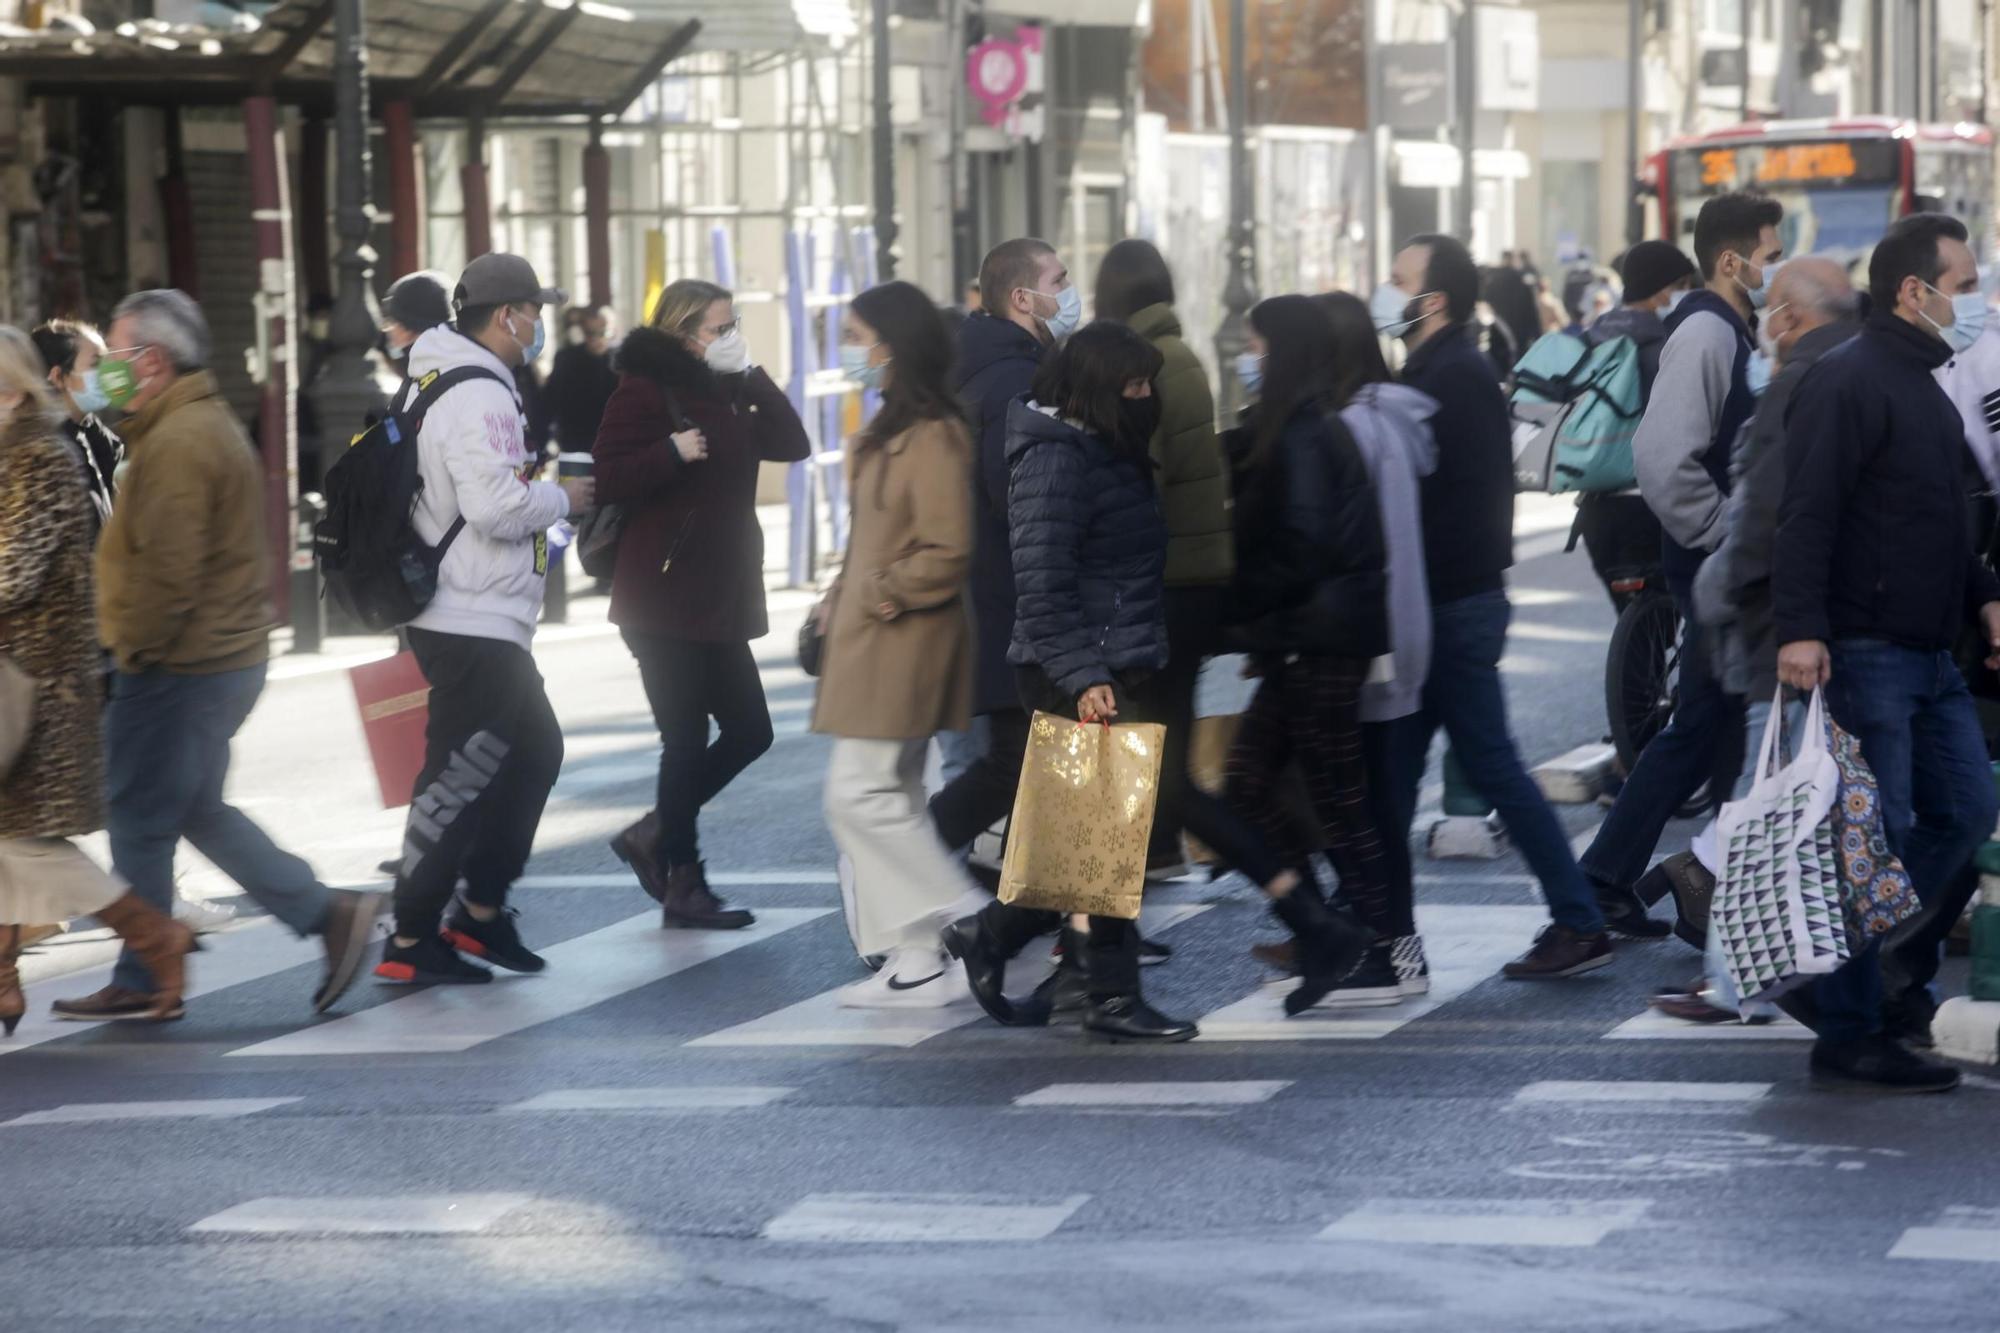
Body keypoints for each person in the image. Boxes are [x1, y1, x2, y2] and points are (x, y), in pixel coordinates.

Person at [51, 290, 378, 1020]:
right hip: (210, 658)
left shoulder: (179, 442)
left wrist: (128, 650)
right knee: (194, 807)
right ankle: (327, 914)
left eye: (113, 358)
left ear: (153, 362)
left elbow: (167, 575)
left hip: (179, 664)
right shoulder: (183, 426)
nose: (102, 373)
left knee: (138, 811)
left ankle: (144, 976)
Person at [1774, 213, 2000, 1092]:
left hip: (1930, 650)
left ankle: (1880, 980)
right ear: (1915, 290)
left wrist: (1983, 596)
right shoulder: (1848, 381)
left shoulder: (1925, 383)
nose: (1974, 303)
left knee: (1963, 813)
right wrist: (1801, 628)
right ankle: (1853, 1023)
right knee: (1878, 832)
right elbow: (1808, 514)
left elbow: (1945, 518)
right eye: (1965, 284)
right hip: (1863, 649)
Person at [1372, 234, 1614, 979]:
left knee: (1482, 769)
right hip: (1456, 600)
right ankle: (1379, 936)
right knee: (1393, 777)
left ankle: (1574, 918)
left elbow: (1434, 501)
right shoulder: (1454, 369)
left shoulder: (1444, 377)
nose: (1387, 290)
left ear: (1431, 299)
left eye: (1398, 279)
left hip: (1449, 604)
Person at [371, 255, 595, 985]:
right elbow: (496, 507)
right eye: (534, 311)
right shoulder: (480, 395)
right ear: (508, 316)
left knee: (534, 750)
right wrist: (565, 498)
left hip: (473, 612)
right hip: (469, 613)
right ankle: (410, 937)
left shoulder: (450, 378)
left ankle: (480, 913)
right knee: (460, 774)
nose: (539, 325)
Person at [1575, 194, 1784, 936]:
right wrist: (1728, 533)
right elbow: (1663, 459)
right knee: (1702, 721)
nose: (1774, 266)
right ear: (1731, 261)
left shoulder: (1734, 327)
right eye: (1770, 253)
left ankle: (1696, 881)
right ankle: (1606, 879)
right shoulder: (1704, 332)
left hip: (1722, 564)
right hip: (1711, 562)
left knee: (1721, 724)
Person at [1662, 257, 1861, 1024]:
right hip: (1829, 625)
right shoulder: (1860, 364)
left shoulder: (1797, 384)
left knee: (1770, 806)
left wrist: (1717, 593)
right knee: (1787, 804)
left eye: (1768, 313)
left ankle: (1732, 976)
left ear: (1787, 315)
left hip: (1781, 633)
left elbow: (1770, 519)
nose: (1762, 328)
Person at [595, 278, 809, 928]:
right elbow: (606, 474)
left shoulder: (729, 384)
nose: (730, 334)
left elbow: (793, 444)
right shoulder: (645, 389)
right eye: (721, 327)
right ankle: (684, 881)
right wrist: (668, 451)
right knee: (684, 741)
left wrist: (751, 372)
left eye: (733, 324)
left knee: (751, 729)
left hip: (718, 591)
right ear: (685, 331)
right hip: (660, 594)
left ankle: (654, 830)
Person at [0, 326, 196, 1033]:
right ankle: (6, 980)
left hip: (35, 685)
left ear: (15, 389)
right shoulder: (18, 454)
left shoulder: (36, 460)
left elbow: (12, 572)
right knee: (14, 837)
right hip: (26, 678)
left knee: (27, 841)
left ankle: (154, 936)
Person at [1223, 295, 1401, 1006]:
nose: (1247, 359)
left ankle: (1366, 944)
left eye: (1255, 346)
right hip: (1310, 637)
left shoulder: (1304, 431)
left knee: (1335, 798)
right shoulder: (1298, 426)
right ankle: (1329, 927)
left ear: (1284, 351)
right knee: (1252, 784)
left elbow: (1304, 544)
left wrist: (1231, 610)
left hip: (1318, 639)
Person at [814, 281, 983, 1005]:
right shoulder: (887, 427)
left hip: (906, 638)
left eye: (857, 335)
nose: (849, 349)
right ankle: (916, 958)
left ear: (894, 342)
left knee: (855, 795)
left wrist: (880, 589)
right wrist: (836, 595)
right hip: (871, 637)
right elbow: (871, 539)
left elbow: (948, 547)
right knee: (900, 794)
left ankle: (964, 907)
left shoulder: (936, 434)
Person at [927, 239, 1077, 885]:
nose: (1070, 293)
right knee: (1027, 763)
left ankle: (1064, 926)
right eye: (1060, 280)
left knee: (1031, 764)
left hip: (1005, 602)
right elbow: (1021, 497)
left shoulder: (994, 367)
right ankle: (907, 862)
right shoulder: (1017, 379)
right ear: (1023, 297)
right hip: (1026, 603)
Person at [1093, 237, 1234, 883]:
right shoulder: (1184, 355)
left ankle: (1237, 851)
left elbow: (1142, 473)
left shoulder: (1144, 364)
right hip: (1197, 576)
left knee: (1140, 731)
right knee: (1166, 724)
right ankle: (1162, 849)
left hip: (1161, 578)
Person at [28, 320, 121, 540]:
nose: (107, 373)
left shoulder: (93, 440)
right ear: (59, 377)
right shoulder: (45, 456)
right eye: (95, 364)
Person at [545, 304, 620, 454]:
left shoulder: (618, 362)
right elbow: (551, 400)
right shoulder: (566, 359)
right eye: (591, 333)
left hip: (611, 444)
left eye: (602, 332)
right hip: (574, 443)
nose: (597, 339)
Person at [378, 270, 453, 377]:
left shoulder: (413, 370)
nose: (387, 329)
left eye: (391, 322)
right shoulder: (459, 358)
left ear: (406, 330)